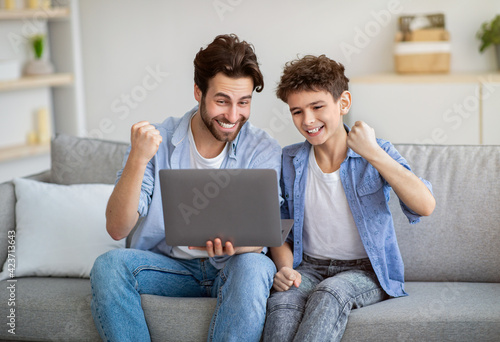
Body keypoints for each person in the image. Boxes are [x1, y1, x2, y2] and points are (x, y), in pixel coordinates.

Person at [90, 34, 282, 342]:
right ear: (198, 92)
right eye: (222, 101)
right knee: (109, 266)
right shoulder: (157, 141)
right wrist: (138, 159)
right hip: (168, 268)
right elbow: (116, 228)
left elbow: (269, 232)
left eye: (243, 103)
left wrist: (240, 244)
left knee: (256, 265)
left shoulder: (262, 148)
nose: (233, 116)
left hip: (230, 269)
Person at [262, 55, 436, 342]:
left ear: (343, 103)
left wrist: (373, 153)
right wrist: (285, 269)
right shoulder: (289, 160)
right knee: (282, 302)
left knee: (330, 294)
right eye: (297, 111)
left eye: (317, 107)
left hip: (366, 271)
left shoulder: (376, 152)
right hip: (310, 267)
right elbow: (280, 228)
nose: (308, 120)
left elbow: (425, 205)